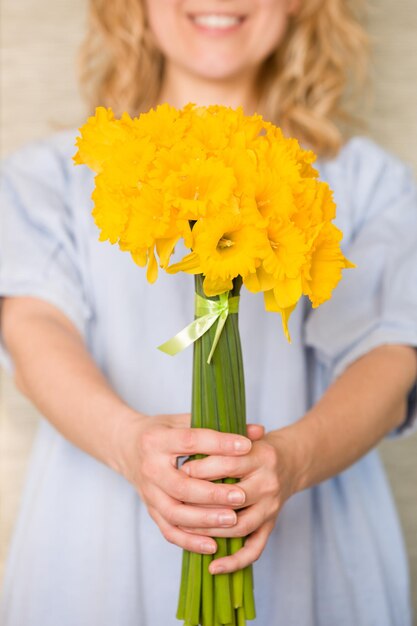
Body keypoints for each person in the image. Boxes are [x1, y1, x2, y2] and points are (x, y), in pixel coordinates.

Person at [1, 1, 417, 625]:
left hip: (313, 538)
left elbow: (390, 356)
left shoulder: (366, 185)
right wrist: (124, 443)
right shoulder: (55, 176)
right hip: (98, 543)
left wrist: (295, 459)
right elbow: (33, 328)